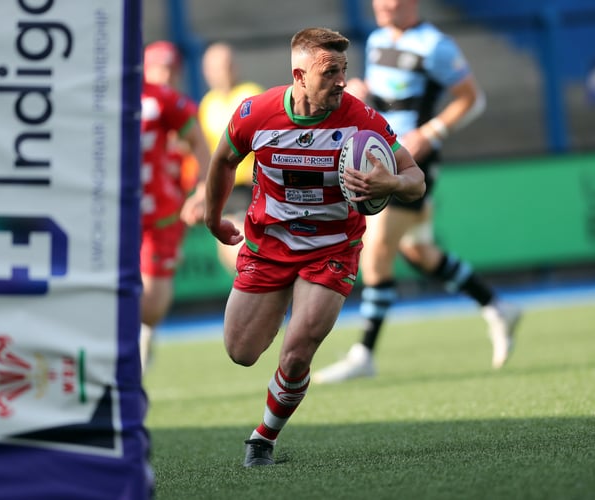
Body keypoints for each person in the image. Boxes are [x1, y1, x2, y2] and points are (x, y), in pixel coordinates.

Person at [180, 27, 425, 467]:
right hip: (268, 245)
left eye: (343, 71)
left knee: (296, 351)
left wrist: (389, 182)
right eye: (329, 72)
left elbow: (415, 177)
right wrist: (214, 218)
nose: (341, 81)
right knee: (241, 352)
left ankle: (263, 438)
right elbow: (221, 161)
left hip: (331, 249)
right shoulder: (257, 113)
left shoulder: (360, 119)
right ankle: (275, 308)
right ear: (299, 74)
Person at [312, 0, 521, 384]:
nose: (380, 6)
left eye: (388, 0)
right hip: (383, 154)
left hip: (411, 166)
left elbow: (472, 98)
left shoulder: (435, 45)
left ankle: (364, 353)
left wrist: (430, 133)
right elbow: (389, 99)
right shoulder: (376, 40)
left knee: (375, 252)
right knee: (418, 251)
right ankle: (496, 305)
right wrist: (363, 92)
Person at [140, 41, 211, 371]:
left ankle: (144, 333)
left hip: (161, 209)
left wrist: (202, 189)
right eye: (159, 67)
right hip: (111, 213)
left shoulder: (169, 103)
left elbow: (199, 145)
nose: (165, 74)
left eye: (170, 68)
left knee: (152, 299)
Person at [197, 42, 265, 273]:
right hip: (228, 188)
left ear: (234, 67)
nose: (219, 73)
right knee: (233, 253)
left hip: (255, 186)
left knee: (246, 250)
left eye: (224, 66)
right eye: (212, 68)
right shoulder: (207, 105)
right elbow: (205, 152)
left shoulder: (250, 94)